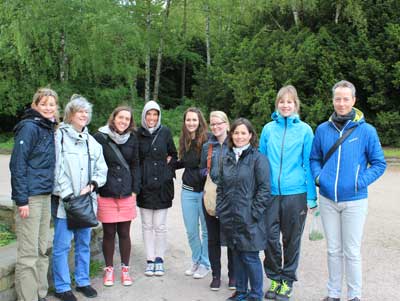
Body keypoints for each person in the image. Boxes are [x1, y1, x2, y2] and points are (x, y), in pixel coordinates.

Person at [310, 80, 386, 301]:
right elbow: (314, 158)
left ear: (353, 100)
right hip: (327, 199)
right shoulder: (323, 129)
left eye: (345, 99)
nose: (341, 103)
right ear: (332, 100)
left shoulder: (367, 131)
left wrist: (358, 182)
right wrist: (318, 178)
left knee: (351, 252)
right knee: (333, 250)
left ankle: (354, 296)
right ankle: (333, 294)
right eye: (337, 99)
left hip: (354, 200)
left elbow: (379, 164)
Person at [259, 85, 317, 301]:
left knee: (291, 240)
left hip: (296, 193)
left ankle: (287, 281)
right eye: (282, 101)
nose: (285, 105)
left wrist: (311, 196)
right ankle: (274, 277)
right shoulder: (268, 129)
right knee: (270, 239)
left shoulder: (304, 130)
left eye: (289, 102)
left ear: (295, 105)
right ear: (277, 104)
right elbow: (261, 163)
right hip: (270, 194)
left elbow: (309, 164)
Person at [52, 95, 108, 301]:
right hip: (65, 202)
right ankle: (62, 286)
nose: (84, 115)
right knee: (62, 245)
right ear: (70, 114)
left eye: (86, 112)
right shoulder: (59, 137)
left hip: (85, 203)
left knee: (83, 242)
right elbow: (56, 168)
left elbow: (102, 169)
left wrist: (93, 184)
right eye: (80, 111)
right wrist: (66, 194)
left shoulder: (92, 142)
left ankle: (83, 281)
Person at [10, 88, 58, 301]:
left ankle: (40, 294)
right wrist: (22, 200)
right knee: (28, 254)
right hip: (29, 198)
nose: (48, 107)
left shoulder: (48, 128)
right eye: (44, 103)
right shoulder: (29, 128)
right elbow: (18, 165)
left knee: (41, 250)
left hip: (45, 195)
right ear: (35, 106)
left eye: (52, 104)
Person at [217, 118, 271, 301]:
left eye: (243, 133)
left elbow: (264, 190)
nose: (239, 136)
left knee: (250, 256)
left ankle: (255, 294)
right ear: (231, 134)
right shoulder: (227, 158)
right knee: (236, 255)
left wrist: (254, 213)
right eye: (236, 132)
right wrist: (221, 209)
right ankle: (241, 291)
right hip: (230, 217)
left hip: (249, 218)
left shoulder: (258, 159)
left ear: (250, 135)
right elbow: (221, 187)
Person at [93, 106, 140, 287]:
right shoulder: (100, 137)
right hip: (106, 192)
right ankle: (109, 270)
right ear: (114, 118)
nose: (123, 121)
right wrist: (97, 188)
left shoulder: (132, 139)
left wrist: (135, 189)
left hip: (126, 192)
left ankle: (125, 269)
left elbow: (135, 164)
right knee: (109, 233)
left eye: (127, 119)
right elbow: (94, 162)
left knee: (124, 233)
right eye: (121, 117)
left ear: (130, 122)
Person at [137, 100, 177, 277]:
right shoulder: (137, 134)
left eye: (155, 114)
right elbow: (134, 160)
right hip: (145, 186)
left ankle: (160, 259)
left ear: (159, 116)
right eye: (149, 114)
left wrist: (167, 170)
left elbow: (174, 155)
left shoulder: (165, 132)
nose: (152, 118)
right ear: (144, 115)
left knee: (159, 225)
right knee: (147, 225)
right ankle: (150, 259)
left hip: (162, 186)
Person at [200, 111, 235, 290]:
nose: (215, 127)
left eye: (218, 123)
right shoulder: (208, 146)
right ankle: (215, 275)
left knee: (231, 239)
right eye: (212, 124)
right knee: (213, 239)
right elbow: (201, 169)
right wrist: (209, 174)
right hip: (212, 198)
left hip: (232, 198)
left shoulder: (235, 142)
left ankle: (233, 276)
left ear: (226, 124)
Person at [176, 107, 210, 279]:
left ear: (200, 121)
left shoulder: (207, 139)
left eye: (194, 120)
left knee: (206, 230)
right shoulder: (184, 140)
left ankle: (205, 263)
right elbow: (183, 161)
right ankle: (196, 259)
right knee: (191, 230)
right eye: (188, 120)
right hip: (188, 191)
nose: (191, 123)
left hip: (204, 193)